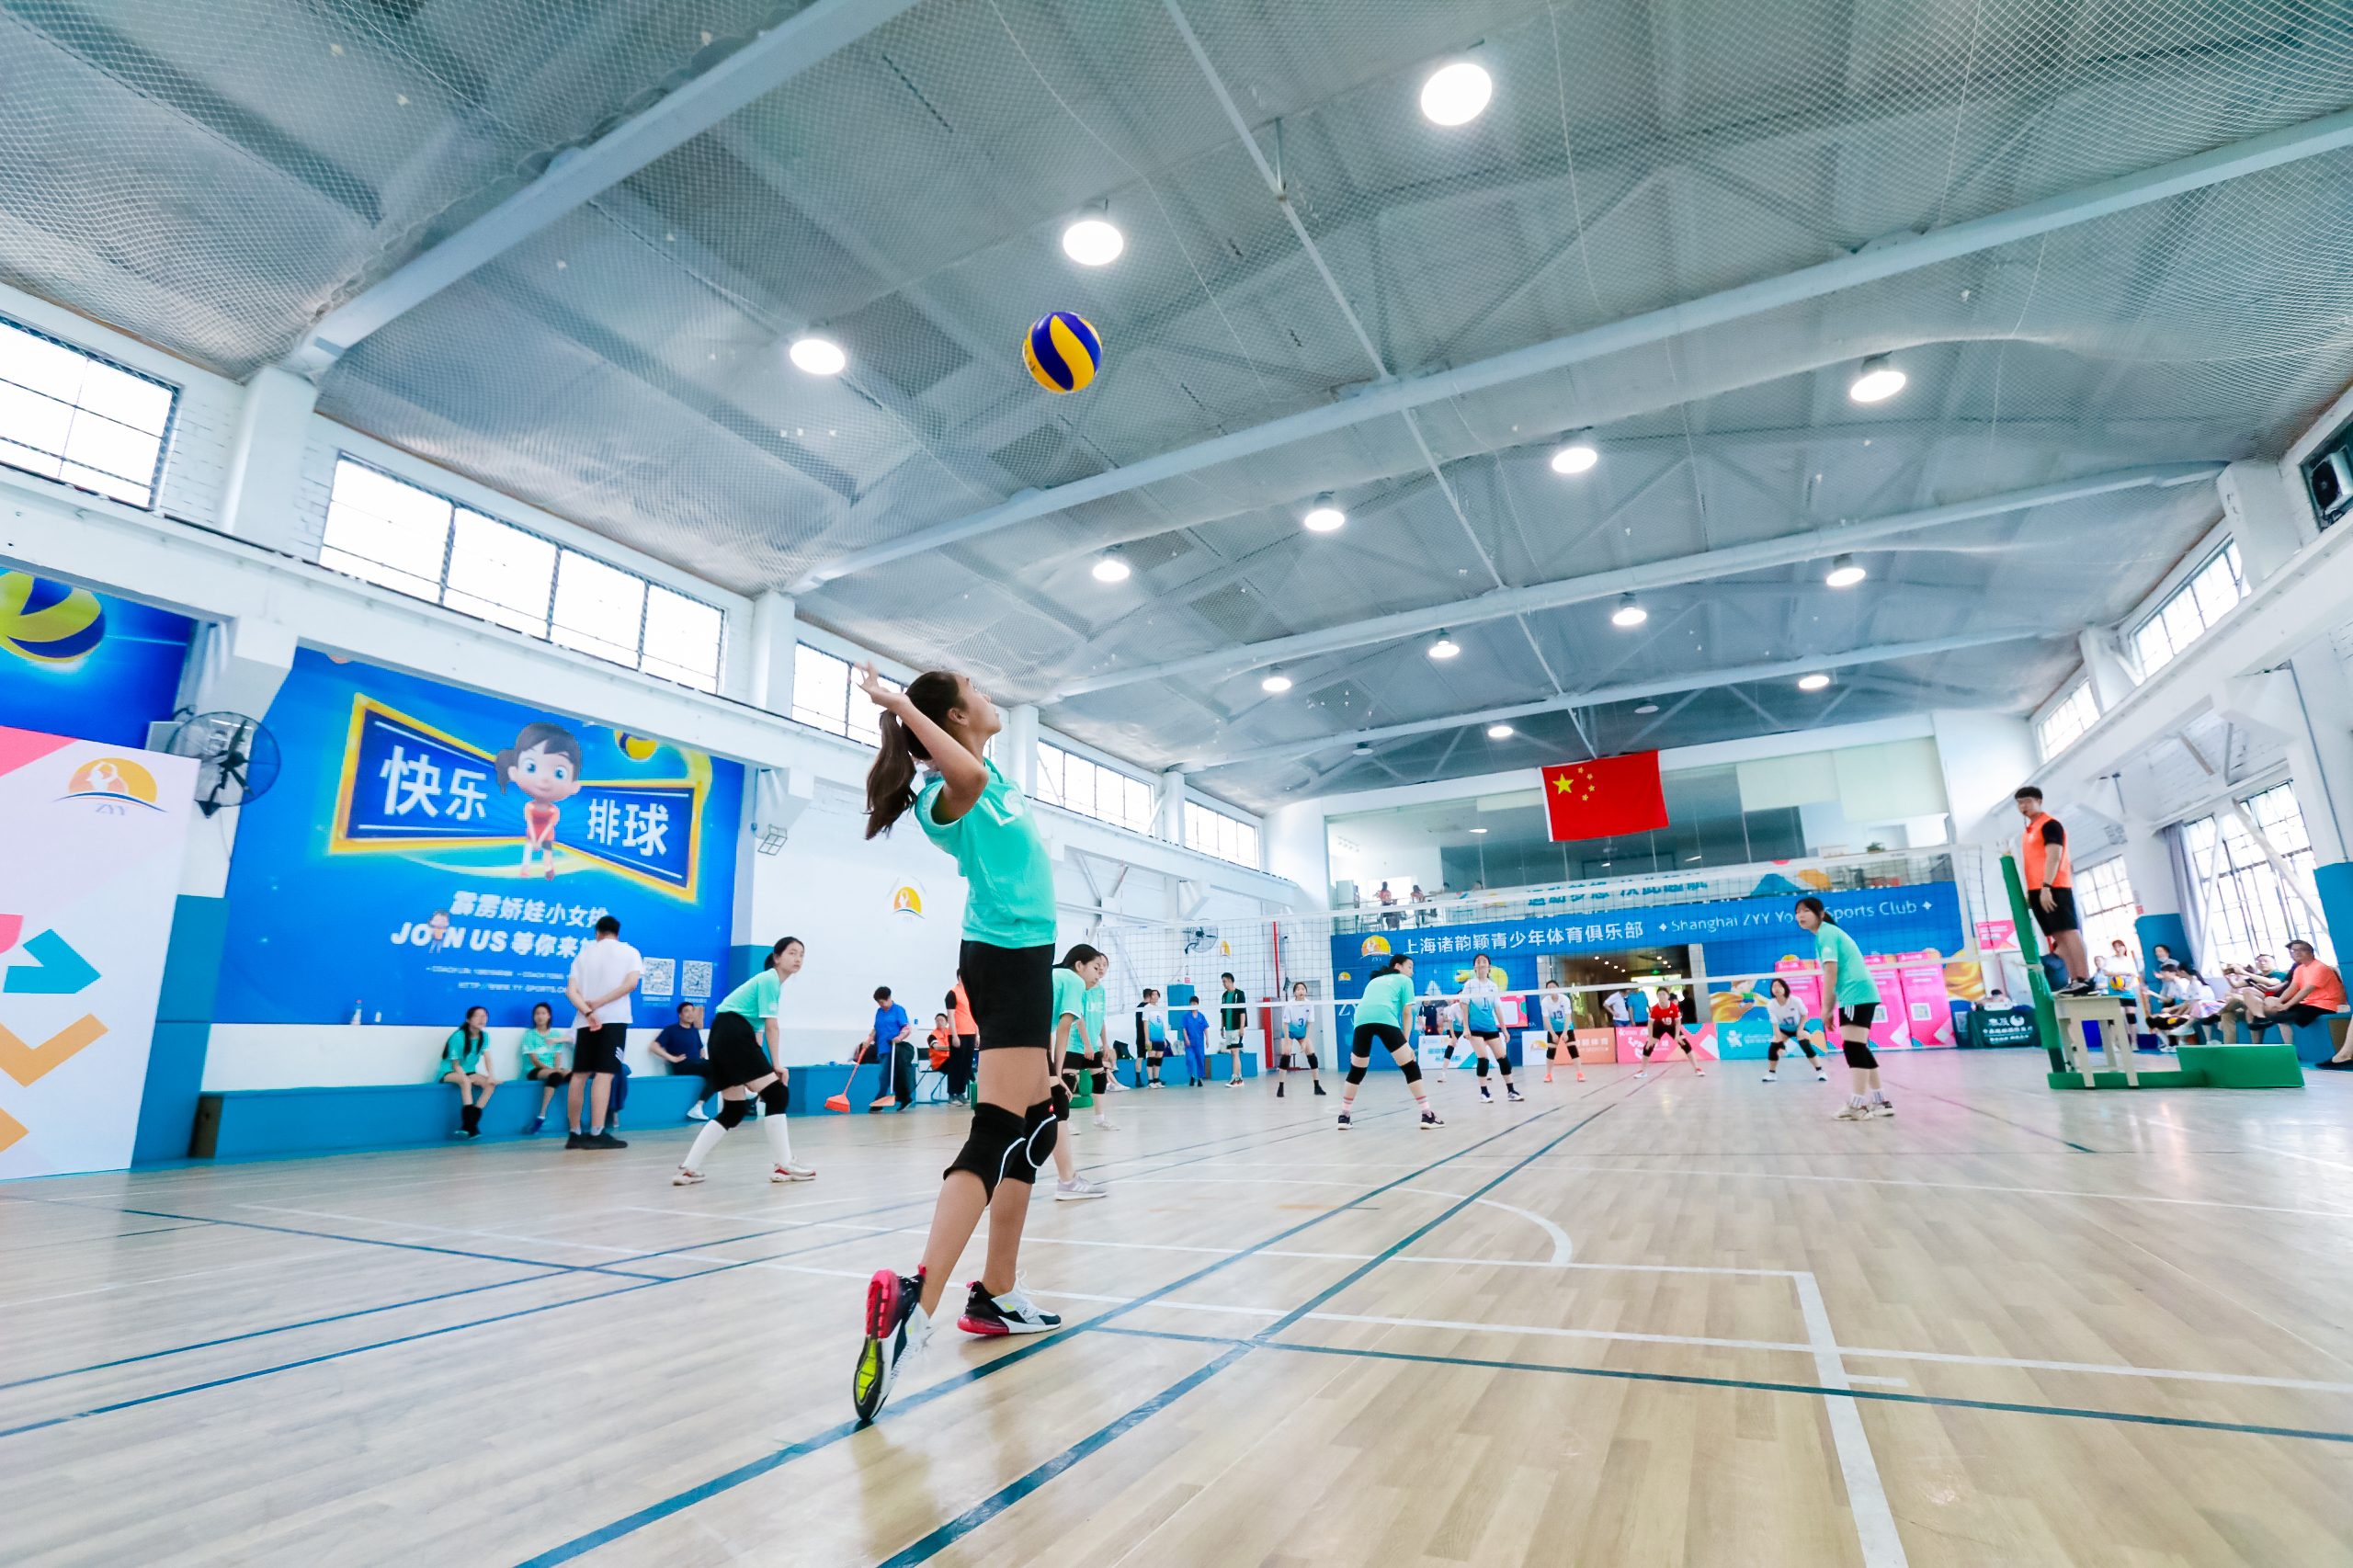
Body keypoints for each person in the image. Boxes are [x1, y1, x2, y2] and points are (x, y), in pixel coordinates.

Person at [852, 665, 1063, 1425]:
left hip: (1026, 960)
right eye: (975, 688)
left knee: (1038, 1126)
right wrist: (899, 704)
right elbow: (962, 771)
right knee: (997, 1130)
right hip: (1006, 961)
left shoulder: (992, 779)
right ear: (952, 715)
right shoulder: (949, 794)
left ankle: (997, 1292)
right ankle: (917, 1307)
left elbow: (975, 767)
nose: (989, 695)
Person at [671, 937, 816, 1187]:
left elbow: (757, 1033)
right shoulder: (770, 979)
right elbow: (771, 1027)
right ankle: (784, 1165)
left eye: (801, 954)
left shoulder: (768, 984)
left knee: (734, 1110)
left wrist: (754, 1070)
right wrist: (776, 1065)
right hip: (732, 1032)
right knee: (777, 1094)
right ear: (776, 957)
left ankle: (688, 1169)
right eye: (792, 953)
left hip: (724, 1035)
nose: (798, 959)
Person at [1795, 896, 1891, 1120]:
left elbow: (1831, 972)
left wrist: (1826, 1009)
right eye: (1797, 912)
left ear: (1820, 914)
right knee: (1859, 1047)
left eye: (1806, 910)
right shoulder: (1827, 933)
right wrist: (1829, 1008)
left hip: (1855, 993)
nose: (1800, 915)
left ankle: (1857, 1106)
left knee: (1853, 1048)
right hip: (1859, 992)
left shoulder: (1826, 933)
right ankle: (1881, 1102)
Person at [1338, 954, 1442, 1131]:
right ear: (1398, 966)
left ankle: (1344, 1116)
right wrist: (1406, 1043)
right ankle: (1427, 1115)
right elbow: (1407, 1013)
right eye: (1410, 967)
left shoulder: (1374, 981)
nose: (1412, 972)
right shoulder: (1405, 980)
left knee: (1357, 1070)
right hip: (1384, 1016)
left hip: (1361, 1019)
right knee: (1410, 1066)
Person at [563, 914, 640, 1150]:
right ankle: (597, 1133)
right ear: (617, 932)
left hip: (585, 1022)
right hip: (613, 1020)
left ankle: (574, 1134)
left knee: (579, 1075)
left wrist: (588, 1012)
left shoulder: (583, 954)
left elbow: (571, 991)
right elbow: (631, 984)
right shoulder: (630, 952)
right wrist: (600, 1003)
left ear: (597, 933)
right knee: (604, 1074)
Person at [2013, 787, 2093, 993]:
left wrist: (2046, 886)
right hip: (2037, 889)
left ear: (2039, 801)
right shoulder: (2028, 832)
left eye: (2027, 801)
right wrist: (2033, 891)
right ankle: (2074, 979)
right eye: (2020, 803)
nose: (2023, 806)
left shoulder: (2050, 825)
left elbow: (2054, 856)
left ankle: (2084, 978)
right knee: (2058, 936)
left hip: (2055, 886)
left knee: (2068, 932)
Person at [1051, 945, 1111, 1198]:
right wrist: (1056, 1074)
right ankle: (1068, 1182)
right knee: (1057, 1105)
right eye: (1096, 968)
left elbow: (1049, 1030)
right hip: (1026, 1043)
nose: (1099, 975)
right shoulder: (1073, 981)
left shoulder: (1056, 976)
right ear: (1079, 966)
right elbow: (1064, 1028)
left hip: (1009, 1040)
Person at [2230, 939, 2346, 1050]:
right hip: (2308, 1002)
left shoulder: (2319, 968)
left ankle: (2289, 1047)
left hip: (2322, 1005)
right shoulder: (2300, 968)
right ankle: (2282, 1046)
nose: (2295, 953)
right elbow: (2292, 987)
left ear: (2309, 951)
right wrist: (2280, 1002)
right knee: (2269, 1010)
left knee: (2278, 1013)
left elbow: (2306, 990)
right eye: (2293, 951)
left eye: (2299, 950)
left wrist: (2286, 1005)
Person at [1458, 953, 1525, 1104]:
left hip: (1490, 1027)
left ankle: (1511, 1091)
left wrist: (1504, 1030)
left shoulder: (1493, 986)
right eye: (1478, 961)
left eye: (1484, 961)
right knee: (1483, 1058)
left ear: (1489, 967)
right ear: (1475, 967)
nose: (1481, 963)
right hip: (1475, 1027)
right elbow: (1464, 1006)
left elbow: (1498, 1008)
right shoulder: (1470, 985)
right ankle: (1484, 1093)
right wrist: (1466, 1028)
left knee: (1503, 1058)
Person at [651, 1002, 719, 1121]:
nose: (690, 1014)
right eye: (687, 1011)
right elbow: (653, 1047)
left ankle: (698, 1107)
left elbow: (700, 1049)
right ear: (680, 1015)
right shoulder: (671, 1030)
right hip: (683, 1065)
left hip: (697, 1064)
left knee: (719, 1073)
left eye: (692, 1011)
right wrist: (671, 1058)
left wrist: (703, 1058)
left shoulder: (694, 1031)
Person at [439, 1006, 498, 1138]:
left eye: (484, 1016)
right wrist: (465, 1077)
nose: (482, 1019)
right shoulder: (458, 1036)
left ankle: (469, 1125)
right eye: (477, 1016)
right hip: (449, 1072)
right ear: (468, 1020)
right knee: (465, 1082)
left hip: (470, 1071)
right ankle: (471, 1126)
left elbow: (487, 1058)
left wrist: (491, 1076)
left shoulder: (485, 1036)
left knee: (490, 1085)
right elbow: (455, 1065)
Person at [1760, 977, 1825, 1083]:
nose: (1776, 988)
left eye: (1779, 986)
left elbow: (1804, 1015)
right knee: (1773, 1047)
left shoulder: (1795, 1000)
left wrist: (1800, 1030)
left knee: (1805, 1044)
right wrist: (1780, 1043)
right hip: (1784, 1030)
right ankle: (1772, 1074)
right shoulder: (1771, 1004)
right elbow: (1775, 1025)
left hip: (1799, 1027)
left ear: (1785, 988)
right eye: (1774, 987)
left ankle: (1820, 1071)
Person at [518, 1002, 570, 1135]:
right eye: (537, 1014)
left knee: (574, 1076)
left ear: (549, 1016)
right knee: (555, 1076)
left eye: (543, 1013)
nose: (540, 1016)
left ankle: (574, 1116)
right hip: (535, 1070)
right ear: (533, 1017)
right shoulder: (529, 1035)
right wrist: (552, 1070)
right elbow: (534, 1060)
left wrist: (557, 1068)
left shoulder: (556, 1034)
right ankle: (541, 1116)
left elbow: (557, 1056)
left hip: (553, 1069)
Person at [862, 986, 914, 1111]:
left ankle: (879, 1102)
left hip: (893, 1048)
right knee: (887, 1076)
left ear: (889, 998)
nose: (880, 1005)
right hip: (881, 1048)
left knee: (884, 1075)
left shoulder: (898, 1010)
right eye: (878, 1003)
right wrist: (868, 1041)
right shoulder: (879, 1012)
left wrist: (899, 1037)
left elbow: (906, 1028)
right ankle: (904, 1098)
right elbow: (876, 1029)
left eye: (882, 1002)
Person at [1639, 983, 1700, 1077]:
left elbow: (1678, 1022)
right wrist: (1650, 1038)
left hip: (1672, 1026)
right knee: (1647, 1047)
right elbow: (1650, 1024)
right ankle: (1643, 1071)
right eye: (1659, 995)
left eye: (1664, 994)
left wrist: (1677, 1035)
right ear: (1657, 996)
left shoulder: (1674, 1007)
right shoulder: (1655, 1008)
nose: (1662, 996)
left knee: (1685, 1044)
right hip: (1659, 1026)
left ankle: (1697, 1068)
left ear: (1668, 996)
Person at [1278, 981, 1324, 1097]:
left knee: (1312, 1057)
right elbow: (1285, 1024)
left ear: (1306, 992)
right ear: (1294, 993)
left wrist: (1305, 1041)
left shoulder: (1309, 1004)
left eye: (1303, 989)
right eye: (1298, 989)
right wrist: (1288, 1043)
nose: (1301, 991)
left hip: (1302, 1032)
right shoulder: (1290, 1005)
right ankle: (1280, 1088)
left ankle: (1317, 1087)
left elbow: (1309, 1024)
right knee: (1286, 1055)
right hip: (1289, 1031)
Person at [946, 973, 979, 1101]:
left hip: (970, 1033)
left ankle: (961, 1092)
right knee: (956, 1065)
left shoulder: (971, 993)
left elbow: (974, 1015)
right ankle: (952, 1093)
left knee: (966, 1065)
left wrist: (977, 1034)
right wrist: (954, 1036)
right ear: (960, 976)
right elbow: (951, 1016)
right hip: (958, 1034)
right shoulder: (952, 994)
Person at [1540, 981, 1578, 1083]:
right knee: (1551, 1050)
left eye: (1554, 986)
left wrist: (1565, 1032)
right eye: (1549, 987)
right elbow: (1545, 1018)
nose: (1552, 989)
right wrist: (1552, 1034)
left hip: (1566, 1026)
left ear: (1558, 988)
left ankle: (1579, 1073)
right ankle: (1548, 1074)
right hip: (1553, 1027)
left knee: (1572, 1048)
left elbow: (1568, 1016)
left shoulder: (1565, 999)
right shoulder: (1545, 1002)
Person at [1218, 971, 1248, 1089]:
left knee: (1235, 1052)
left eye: (1224, 981)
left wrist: (1242, 1027)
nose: (1223, 984)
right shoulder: (1224, 995)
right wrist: (1222, 1027)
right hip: (1228, 1028)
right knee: (1233, 1053)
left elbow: (1242, 1011)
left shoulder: (1239, 994)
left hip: (1236, 1028)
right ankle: (1239, 1078)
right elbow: (1222, 1012)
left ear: (1230, 980)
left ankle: (1235, 1078)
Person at [1138, 987, 1168, 1086]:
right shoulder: (1147, 1008)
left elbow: (1162, 1024)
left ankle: (1156, 1079)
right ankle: (1150, 1080)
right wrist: (1147, 1038)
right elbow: (1145, 1024)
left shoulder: (1159, 1009)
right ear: (1150, 996)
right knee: (1151, 1058)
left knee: (1159, 1059)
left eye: (1157, 994)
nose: (1155, 996)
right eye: (1153, 994)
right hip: (1152, 1038)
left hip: (1160, 1038)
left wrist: (1164, 1038)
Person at [1177, 994, 1210, 1086]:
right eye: (1192, 1003)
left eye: (1195, 1003)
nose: (1193, 1005)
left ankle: (1200, 1078)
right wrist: (1186, 1039)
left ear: (1197, 1004)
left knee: (1200, 1059)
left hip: (1199, 1042)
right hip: (1190, 1043)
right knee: (1190, 1059)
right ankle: (1192, 1076)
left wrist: (1207, 1040)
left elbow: (1205, 1028)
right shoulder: (1186, 1016)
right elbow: (1184, 1029)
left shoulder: (1201, 1016)